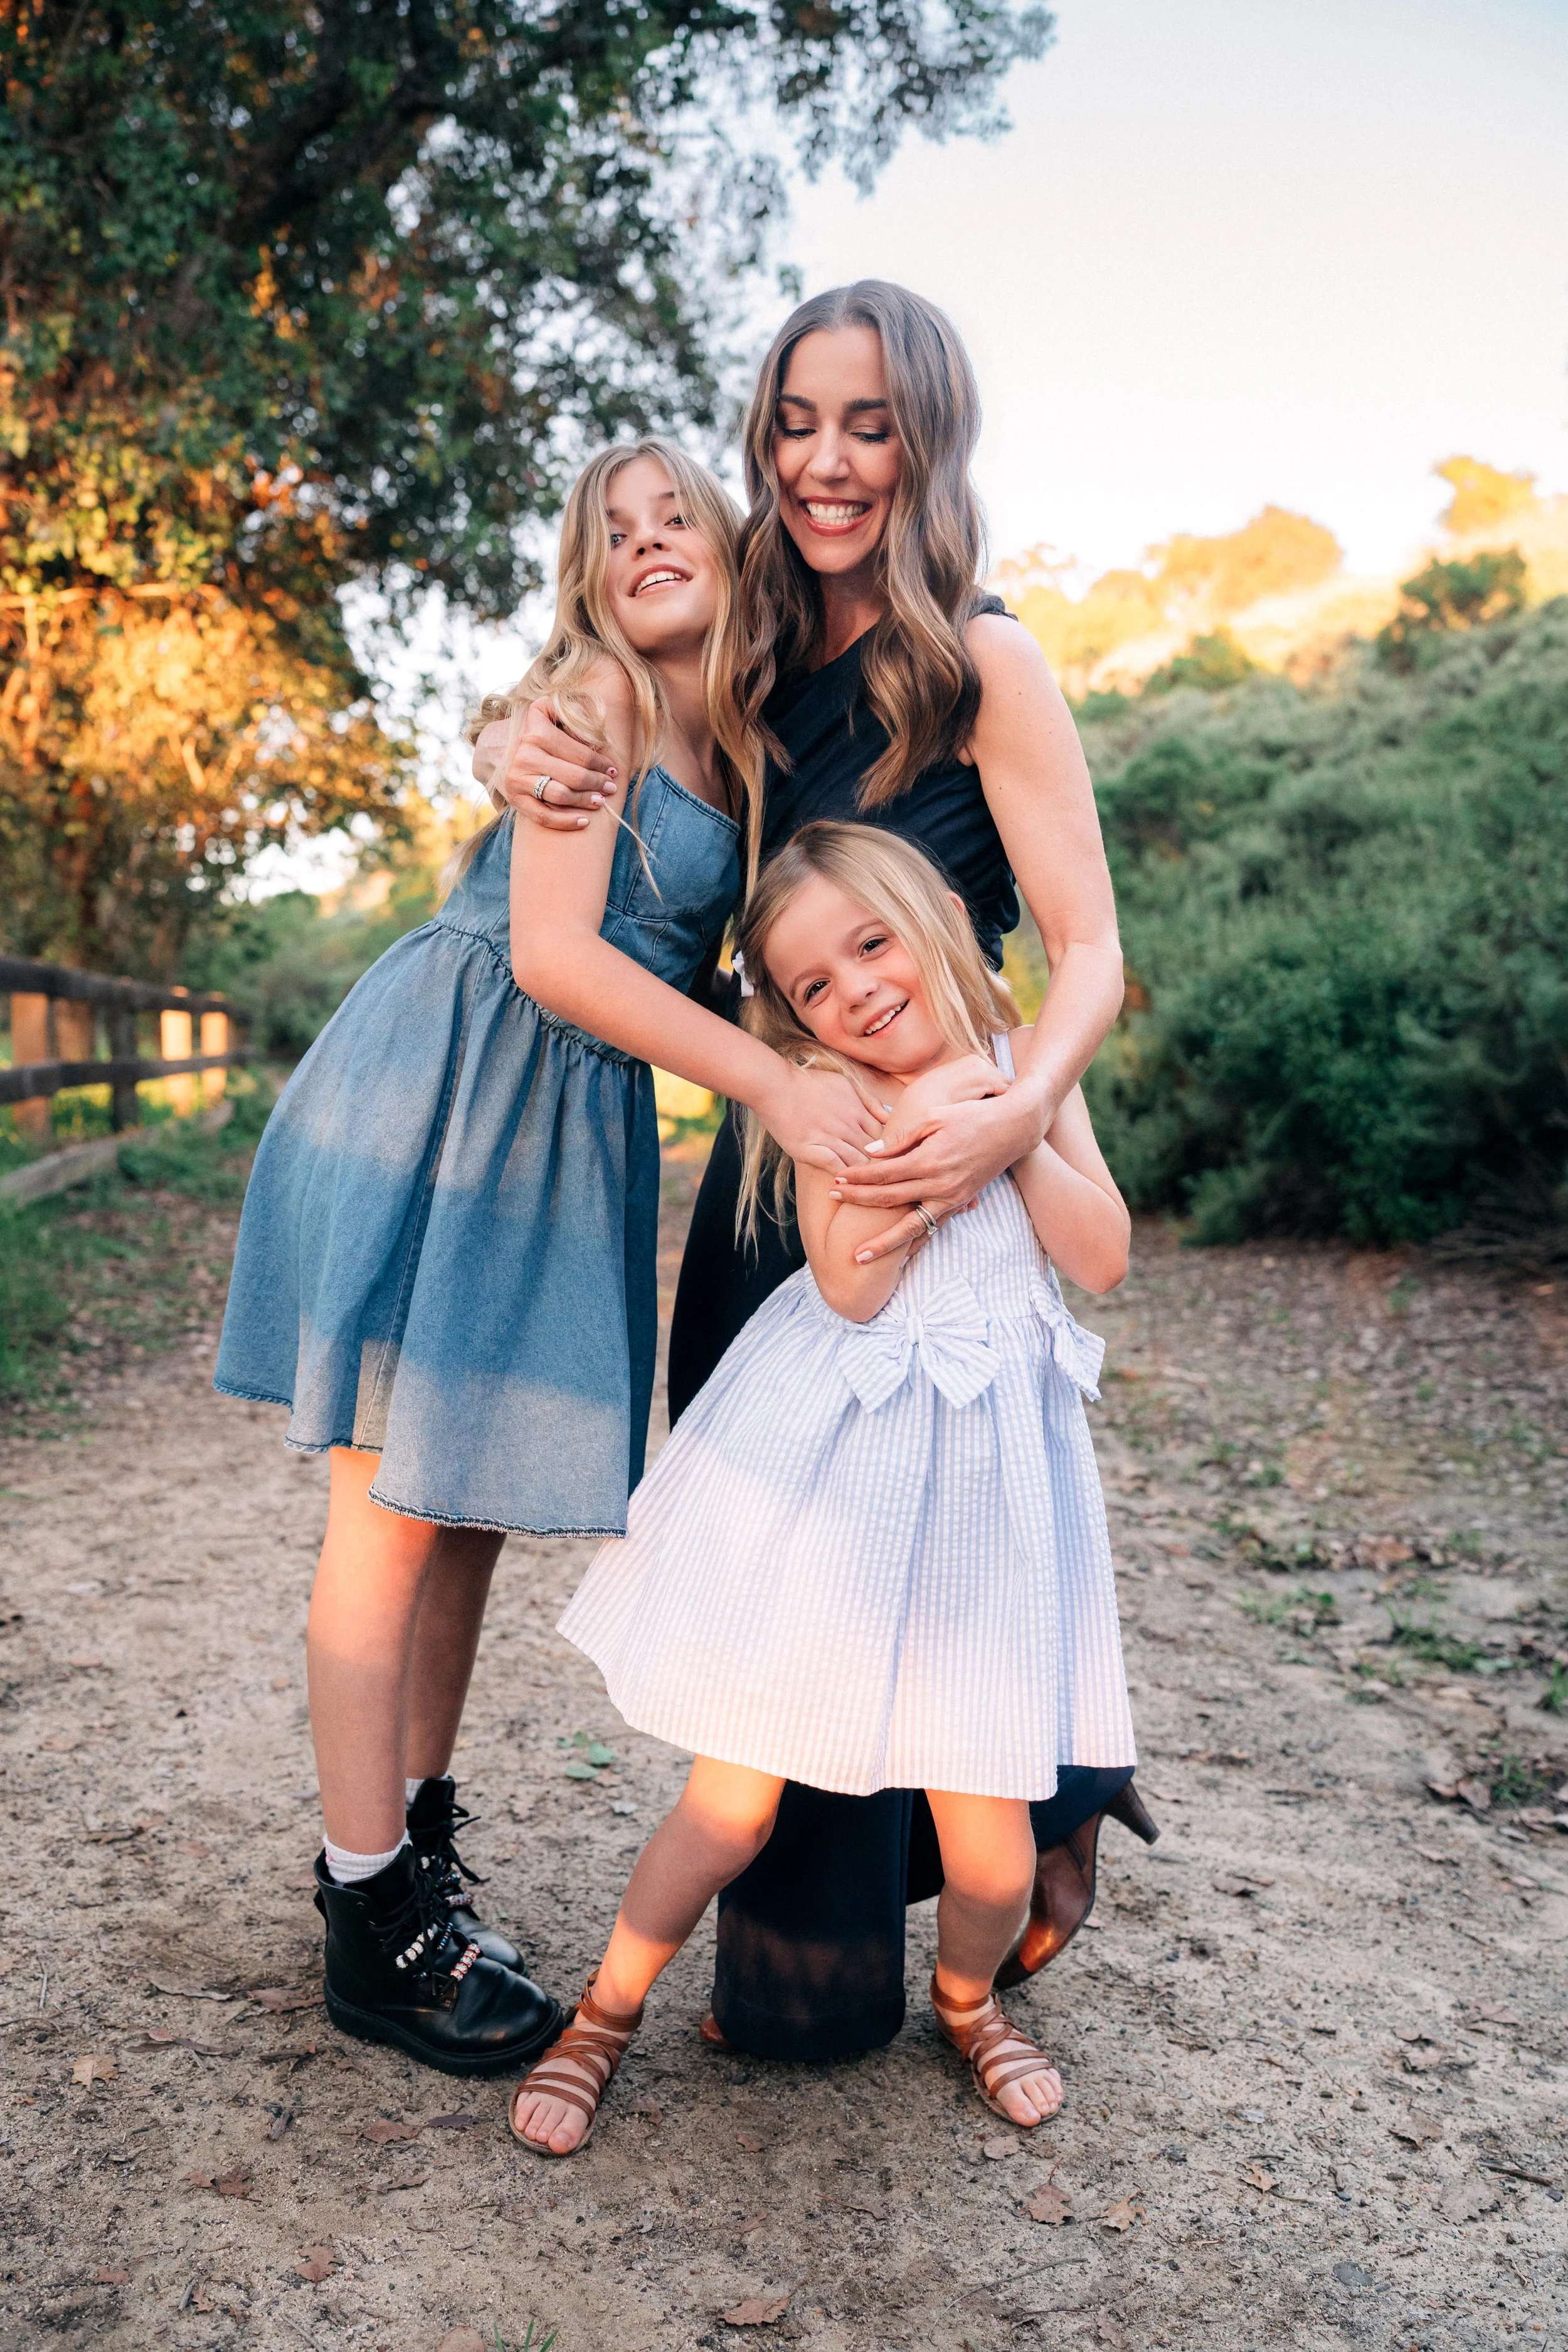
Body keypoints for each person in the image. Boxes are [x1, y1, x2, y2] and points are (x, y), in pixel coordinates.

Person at [480, 282, 1157, 2063]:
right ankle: (796, 1961)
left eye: (865, 422)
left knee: (960, 1539)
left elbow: (1085, 947)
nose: (825, 458)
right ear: (760, 436)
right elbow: (601, 711)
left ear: (925, 438)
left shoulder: (982, 661)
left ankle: (1007, 1866)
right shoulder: (744, 644)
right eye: (794, 419)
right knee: (793, 1594)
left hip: (961, 1136)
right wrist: (502, 735)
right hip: (773, 1187)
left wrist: (1019, 1117)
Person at [215, 441, 884, 2075]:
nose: (650, 543)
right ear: (586, 581)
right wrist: (778, 1087)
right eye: (615, 532)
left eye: (678, 522)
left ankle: (412, 1852)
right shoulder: (587, 694)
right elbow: (553, 951)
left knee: (459, 1521)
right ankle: (370, 1913)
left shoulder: (734, 734)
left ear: (733, 560)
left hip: (546, 1137)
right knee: (383, 1521)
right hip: (442, 1100)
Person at [509, 823, 1136, 2156]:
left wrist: (1006, 1132)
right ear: (793, 1021)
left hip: (984, 1509)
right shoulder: (824, 1099)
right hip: (840, 1493)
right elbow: (850, 1284)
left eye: (869, 943)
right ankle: (604, 2014)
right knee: (731, 1803)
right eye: (810, 987)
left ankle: (965, 2006)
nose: (853, 989)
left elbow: (1102, 1257)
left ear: (930, 922)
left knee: (990, 1854)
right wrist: (919, 1149)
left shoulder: (1028, 1070)